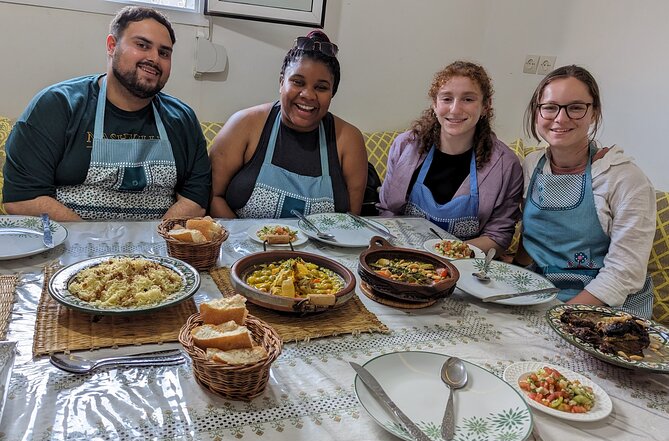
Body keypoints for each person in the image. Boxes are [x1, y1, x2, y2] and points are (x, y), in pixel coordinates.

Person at [2, 6, 211, 221]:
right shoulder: (57, 106)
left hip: (156, 249)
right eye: (142, 45)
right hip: (71, 248)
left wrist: (152, 243)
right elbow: (23, 198)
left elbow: (195, 198)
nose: (154, 59)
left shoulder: (182, 119)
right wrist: (95, 240)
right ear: (112, 46)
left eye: (164, 53)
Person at [516, 65, 656, 318]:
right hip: (542, 293)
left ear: (594, 113)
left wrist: (560, 316)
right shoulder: (532, 165)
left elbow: (623, 274)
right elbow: (531, 240)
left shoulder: (624, 179)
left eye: (576, 107)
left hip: (608, 308)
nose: (560, 118)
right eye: (550, 107)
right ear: (537, 113)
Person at [209, 30, 367, 219]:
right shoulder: (243, 124)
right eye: (298, 82)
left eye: (321, 87)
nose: (308, 95)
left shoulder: (349, 140)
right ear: (282, 81)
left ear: (332, 93)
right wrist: (243, 242)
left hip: (324, 249)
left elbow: (352, 220)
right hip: (245, 247)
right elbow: (213, 197)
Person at [377, 61, 523, 254]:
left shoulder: (505, 164)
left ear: (486, 106)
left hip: (464, 265)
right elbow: (387, 210)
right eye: (447, 99)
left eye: (468, 99)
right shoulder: (406, 146)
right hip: (403, 255)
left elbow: (498, 236)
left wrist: (443, 253)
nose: (455, 109)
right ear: (435, 105)